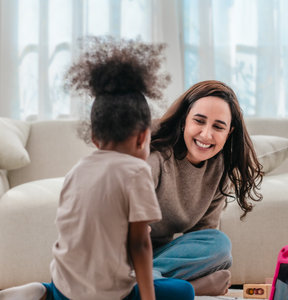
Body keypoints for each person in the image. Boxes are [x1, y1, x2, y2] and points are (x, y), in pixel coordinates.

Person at [0, 37, 194, 300]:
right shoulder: (136, 172)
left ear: (94, 137)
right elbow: (139, 244)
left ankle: (44, 291)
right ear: (142, 137)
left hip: (65, 289)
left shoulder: (77, 170)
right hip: (109, 295)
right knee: (184, 291)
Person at [147, 80, 264, 296]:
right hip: (121, 250)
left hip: (157, 260)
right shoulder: (156, 158)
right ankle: (159, 285)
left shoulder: (219, 169)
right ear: (184, 121)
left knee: (219, 245)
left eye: (218, 127)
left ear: (229, 132)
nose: (206, 134)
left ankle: (147, 282)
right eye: (199, 121)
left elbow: (202, 235)